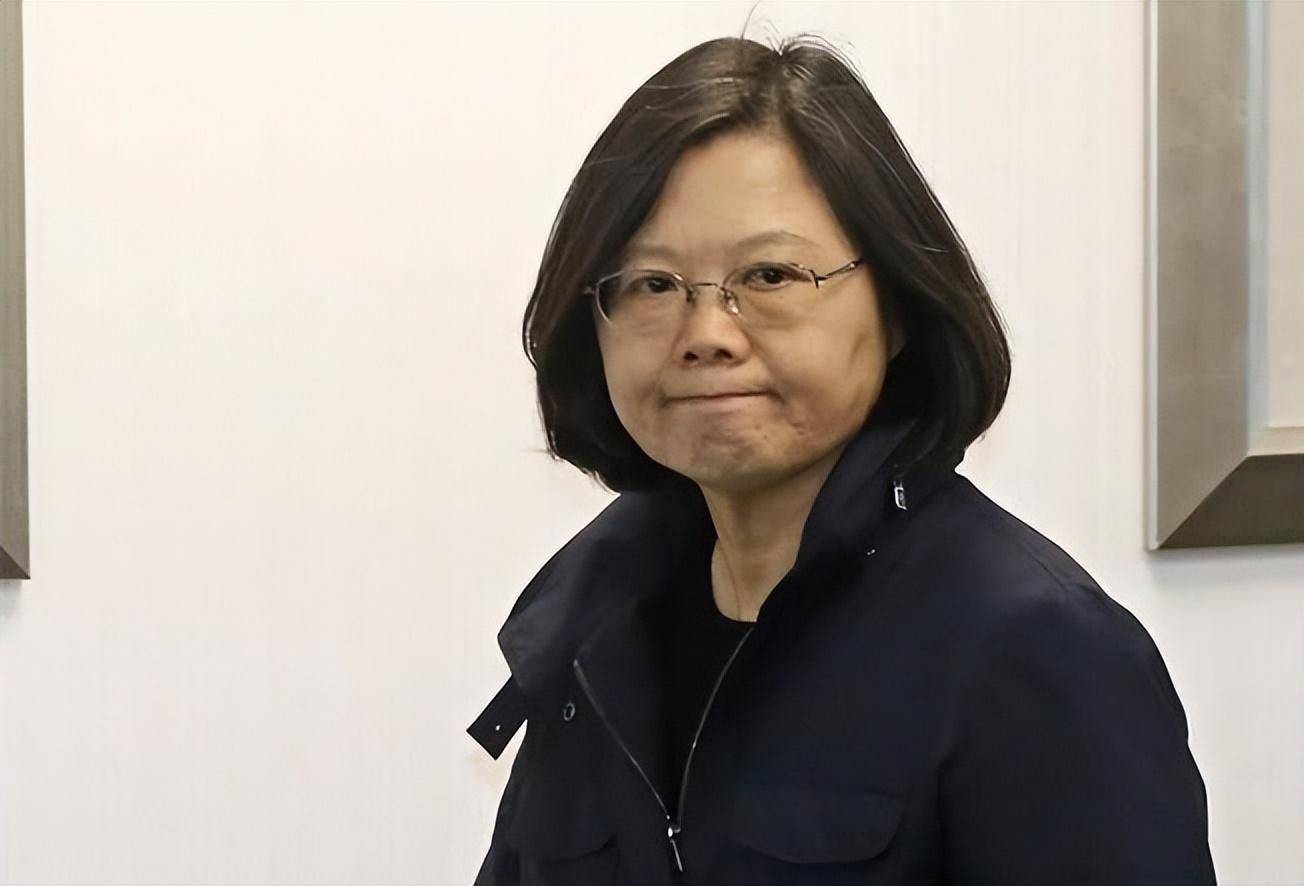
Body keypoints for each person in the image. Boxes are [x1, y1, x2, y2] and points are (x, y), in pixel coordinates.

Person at [466, 32, 1216, 886]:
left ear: (897, 307)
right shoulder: (593, 623)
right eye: (651, 284)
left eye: (771, 276)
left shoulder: (1030, 648)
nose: (705, 334)